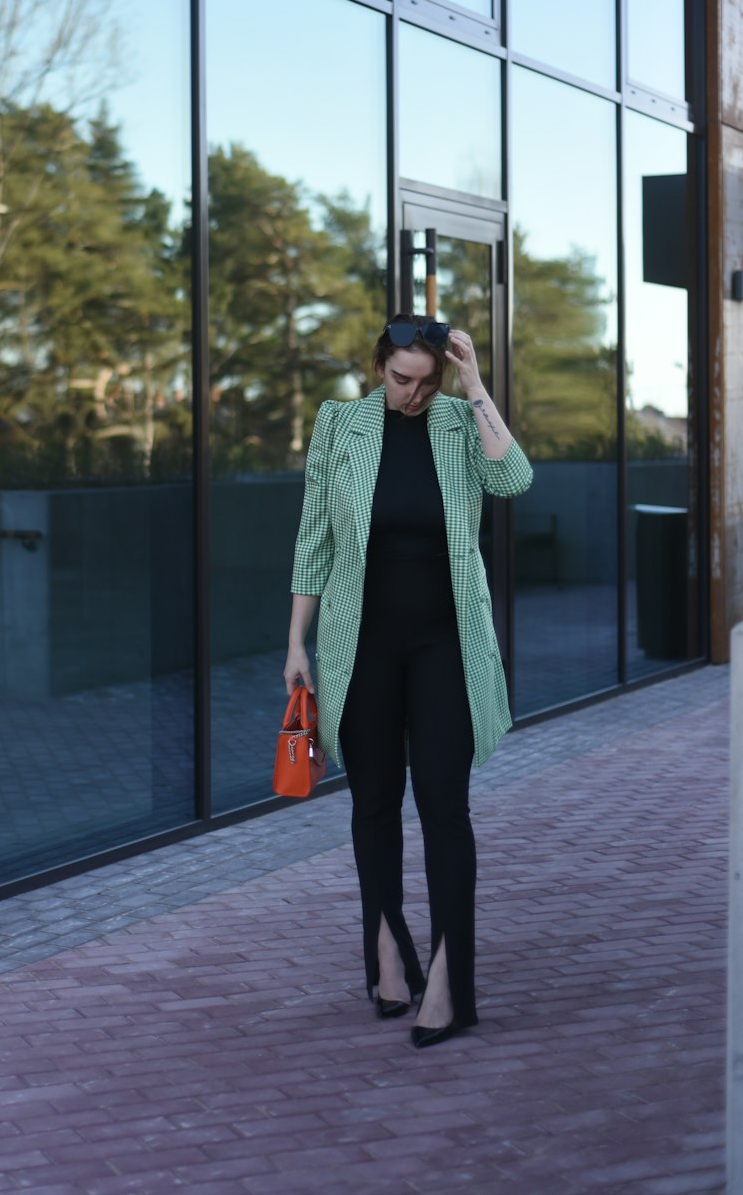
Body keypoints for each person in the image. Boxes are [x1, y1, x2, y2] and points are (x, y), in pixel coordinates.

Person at [284, 314, 533, 1047]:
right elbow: (315, 539)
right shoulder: (340, 426)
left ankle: (452, 983)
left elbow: (513, 478)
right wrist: (294, 643)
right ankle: (388, 955)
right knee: (374, 805)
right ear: (379, 367)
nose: (413, 395)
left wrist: (476, 383)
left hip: (446, 646)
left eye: (426, 382)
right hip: (359, 646)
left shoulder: (460, 421)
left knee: (444, 808)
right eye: (400, 379)